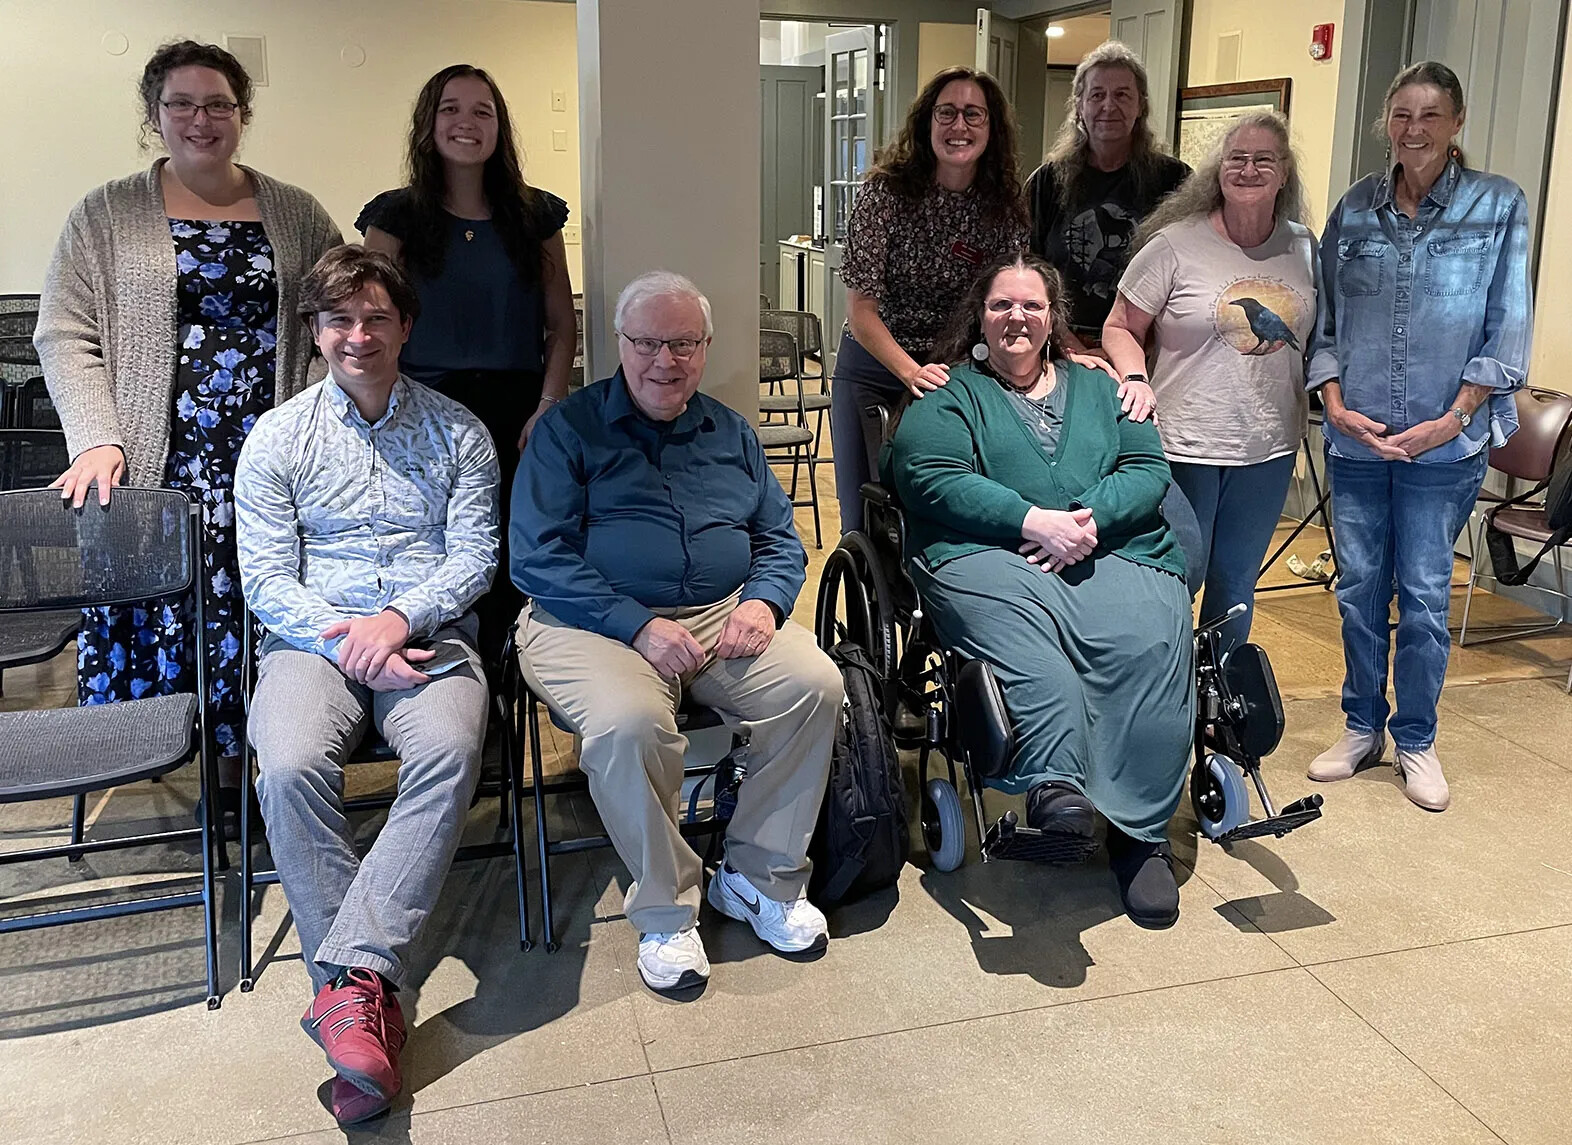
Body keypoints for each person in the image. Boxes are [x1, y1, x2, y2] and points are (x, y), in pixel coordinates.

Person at [512, 271, 842, 997]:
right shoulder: (570, 430)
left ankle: (758, 879)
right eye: (649, 342)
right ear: (619, 345)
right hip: (591, 621)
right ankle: (666, 911)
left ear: (707, 346)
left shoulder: (730, 431)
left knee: (816, 686)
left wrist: (765, 600)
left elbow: (780, 540)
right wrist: (638, 625)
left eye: (684, 342)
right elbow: (537, 557)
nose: (666, 359)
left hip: (723, 612)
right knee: (631, 724)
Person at [34, 40, 340, 808]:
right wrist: (97, 436)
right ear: (154, 115)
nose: (200, 120)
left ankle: (246, 780)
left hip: (267, 457)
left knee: (254, 607)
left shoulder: (296, 211)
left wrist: (307, 417)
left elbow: (334, 318)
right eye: (182, 105)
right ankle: (165, 764)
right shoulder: (104, 214)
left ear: (242, 115)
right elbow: (64, 332)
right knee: (175, 610)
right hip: (153, 456)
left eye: (218, 105)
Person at [234, 246, 498, 1125]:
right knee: (289, 763)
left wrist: (402, 620)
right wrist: (351, 638)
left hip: (427, 637)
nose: (359, 335)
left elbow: (475, 557)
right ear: (315, 333)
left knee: (452, 746)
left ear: (405, 327)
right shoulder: (278, 438)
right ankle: (369, 990)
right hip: (314, 640)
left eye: (376, 318)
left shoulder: (459, 431)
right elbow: (266, 579)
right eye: (339, 320)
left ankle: (347, 982)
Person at [883, 252, 1194, 929]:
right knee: (1034, 654)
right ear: (981, 316)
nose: (1016, 317)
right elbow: (926, 472)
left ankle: (1141, 834)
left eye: (1031, 304)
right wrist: (1030, 519)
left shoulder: (1105, 388)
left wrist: (1088, 519)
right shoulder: (950, 393)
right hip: (987, 551)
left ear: (1053, 319)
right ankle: (1057, 789)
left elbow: (1146, 467)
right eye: (1001, 305)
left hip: (1107, 545)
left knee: (1146, 640)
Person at [1304, 62, 1531, 811]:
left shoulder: (1498, 206)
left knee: (1426, 597)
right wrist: (1333, 402)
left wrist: (1457, 415)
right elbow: (1325, 321)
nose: (1415, 129)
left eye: (1430, 114)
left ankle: (1418, 738)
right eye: (1401, 114)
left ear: (1457, 122)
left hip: (1446, 444)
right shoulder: (1354, 210)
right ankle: (1361, 725)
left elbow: (1507, 323)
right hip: (1360, 440)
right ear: (1387, 123)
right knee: (1360, 591)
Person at [359, 64, 575, 671]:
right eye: (451, 108)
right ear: (428, 126)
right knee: (431, 548)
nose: (467, 123)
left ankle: (504, 686)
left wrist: (549, 405)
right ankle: (435, 677)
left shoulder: (536, 217)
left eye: (484, 111)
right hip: (422, 413)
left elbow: (562, 325)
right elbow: (367, 322)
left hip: (518, 412)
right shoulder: (396, 217)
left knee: (508, 550)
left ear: (500, 128)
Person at [1102, 111, 1315, 651]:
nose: (1248, 169)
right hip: (1184, 444)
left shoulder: (1305, 247)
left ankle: (1220, 713)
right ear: (1218, 170)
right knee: (1177, 579)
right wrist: (1134, 377)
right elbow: (1121, 326)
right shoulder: (1175, 244)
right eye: (1236, 158)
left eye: (1263, 159)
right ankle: (1164, 701)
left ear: (1284, 171)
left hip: (1267, 448)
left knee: (1237, 585)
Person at [830, 66, 1031, 533]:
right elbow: (861, 311)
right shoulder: (885, 193)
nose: (958, 126)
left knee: (950, 511)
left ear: (991, 128)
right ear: (926, 122)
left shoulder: (1005, 205)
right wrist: (911, 373)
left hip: (957, 370)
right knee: (865, 519)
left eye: (973, 115)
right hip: (876, 368)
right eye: (946, 112)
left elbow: (1006, 301)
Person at [1025, 40, 1190, 354]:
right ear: (1079, 105)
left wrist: (1125, 348)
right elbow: (1028, 272)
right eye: (1097, 95)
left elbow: (1187, 277)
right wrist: (1070, 347)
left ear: (1141, 105)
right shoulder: (1046, 182)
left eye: (1122, 95)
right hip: (1057, 347)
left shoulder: (1175, 181)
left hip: (1146, 350)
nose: (1108, 106)